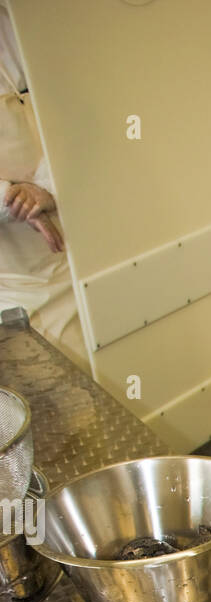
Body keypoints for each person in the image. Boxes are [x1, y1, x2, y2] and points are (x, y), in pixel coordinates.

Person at [0, 4, 88, 373]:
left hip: (75, 234)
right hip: (12, 271)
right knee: (43, 380)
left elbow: (80, 115)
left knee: (103, 361)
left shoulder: (27, 18)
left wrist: (47, 189)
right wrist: (12, 200)